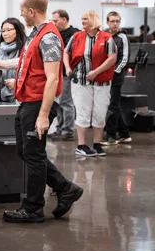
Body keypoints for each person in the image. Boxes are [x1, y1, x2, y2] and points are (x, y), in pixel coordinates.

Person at [0, 0, 82, 223]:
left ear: (32, 11)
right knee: (25, 151)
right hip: (28, 101)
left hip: (38, 104)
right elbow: (24, 61)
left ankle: (33, 208)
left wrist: (44, 115)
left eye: (22, 10)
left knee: (34, 154)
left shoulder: (49, 37)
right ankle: (66, 188)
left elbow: (53, 77)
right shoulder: (36, 34)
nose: (21, 14)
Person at [64, 11, 117, 157]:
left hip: (102, 82)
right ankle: (81, 145)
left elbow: (112, 58)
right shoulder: (76, 37)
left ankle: (97, 145)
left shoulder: (107, 38)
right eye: (81, 18)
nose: (82, 21)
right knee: (82, 112)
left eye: (85, 18)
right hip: (81, 82)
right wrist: (68, 68)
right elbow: (66, 52)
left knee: (100, 113)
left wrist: (96, 72)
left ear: (94, 20)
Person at [102, 11, 132, 145]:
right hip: (104, 76)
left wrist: (114, 72)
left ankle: (111, 136)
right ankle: (125, 134)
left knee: (112, 106)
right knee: (113, 105)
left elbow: (125, 58)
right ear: (107, 22)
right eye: (112, 21)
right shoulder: (105, 36)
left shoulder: (122, 37)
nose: (115, 24)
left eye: (117, 21)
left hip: (116, 77)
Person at [51, 9, 79, 140]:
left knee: (66, 102)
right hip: (56, 73)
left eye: (55, 21)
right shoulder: (57, 34)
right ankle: (60, 129)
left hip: (67, 73)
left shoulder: (75, 34)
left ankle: (68, 131)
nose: (54, 23)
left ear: (64, 19)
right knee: (58, 102)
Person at [0, 18, 26, 103]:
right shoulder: (0, 50)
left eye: (9, 30)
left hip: (20, 95)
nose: (5, 34)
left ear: (18, 31)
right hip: (1, 94)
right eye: (3, 31)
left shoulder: (25, 48)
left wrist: (17, 83)